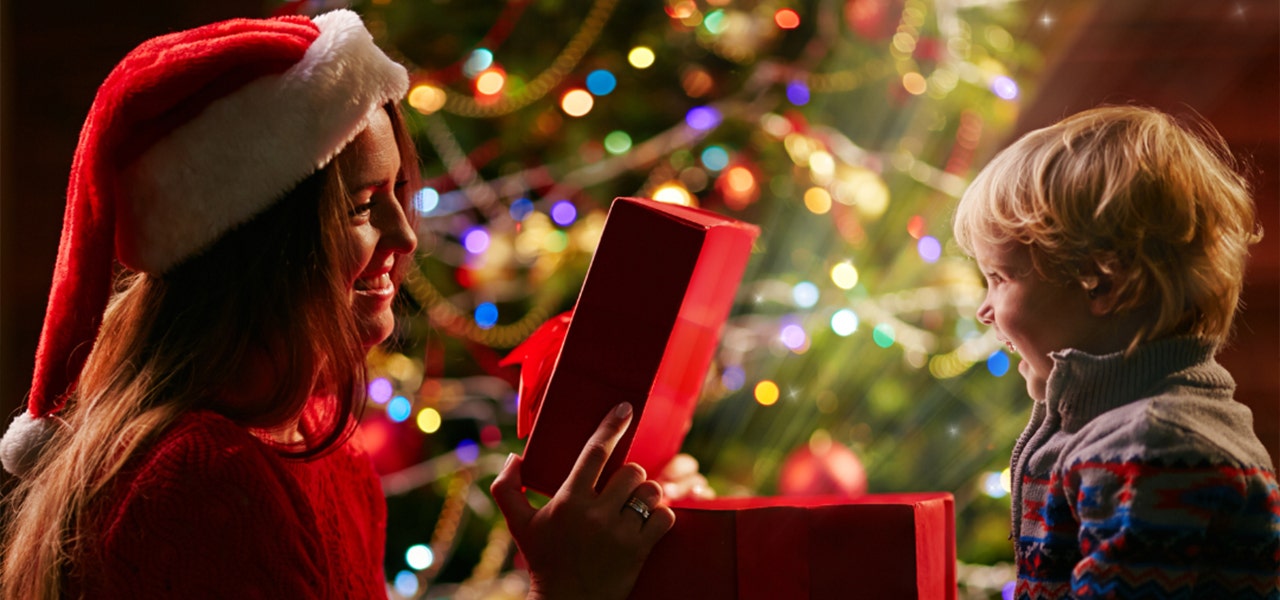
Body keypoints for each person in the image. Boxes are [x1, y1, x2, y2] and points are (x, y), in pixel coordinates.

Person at [0, 10, 673, 599]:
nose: (405, 236)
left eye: (397, 192)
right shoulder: (203, 481)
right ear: (260, 246)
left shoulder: (322, 439)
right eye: (360, 207)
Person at [952, 105, 1280, 598]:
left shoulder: (1153, 451)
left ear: (1101, 283)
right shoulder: (1109, 433)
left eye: (999, 278)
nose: (984, 309)